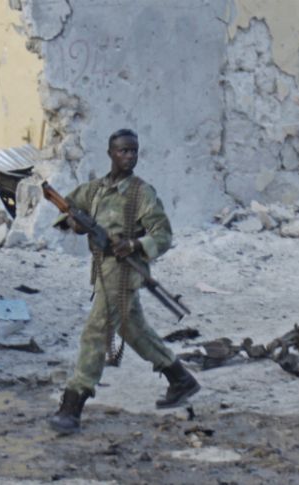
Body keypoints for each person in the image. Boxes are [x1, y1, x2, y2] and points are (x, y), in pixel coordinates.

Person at [48, 128, 200, 434]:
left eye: (133, 151)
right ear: (110, 154)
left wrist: (134, 245)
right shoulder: (94, 190)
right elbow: (68, 212)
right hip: (102, 268)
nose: (129, 156)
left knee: (97, 332)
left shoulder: (142, 193)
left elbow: (163, 235)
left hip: (125, 271)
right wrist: (76, 223)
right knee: (132, 329)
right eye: (123, 151)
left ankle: (72, 406)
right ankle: (180, 378)